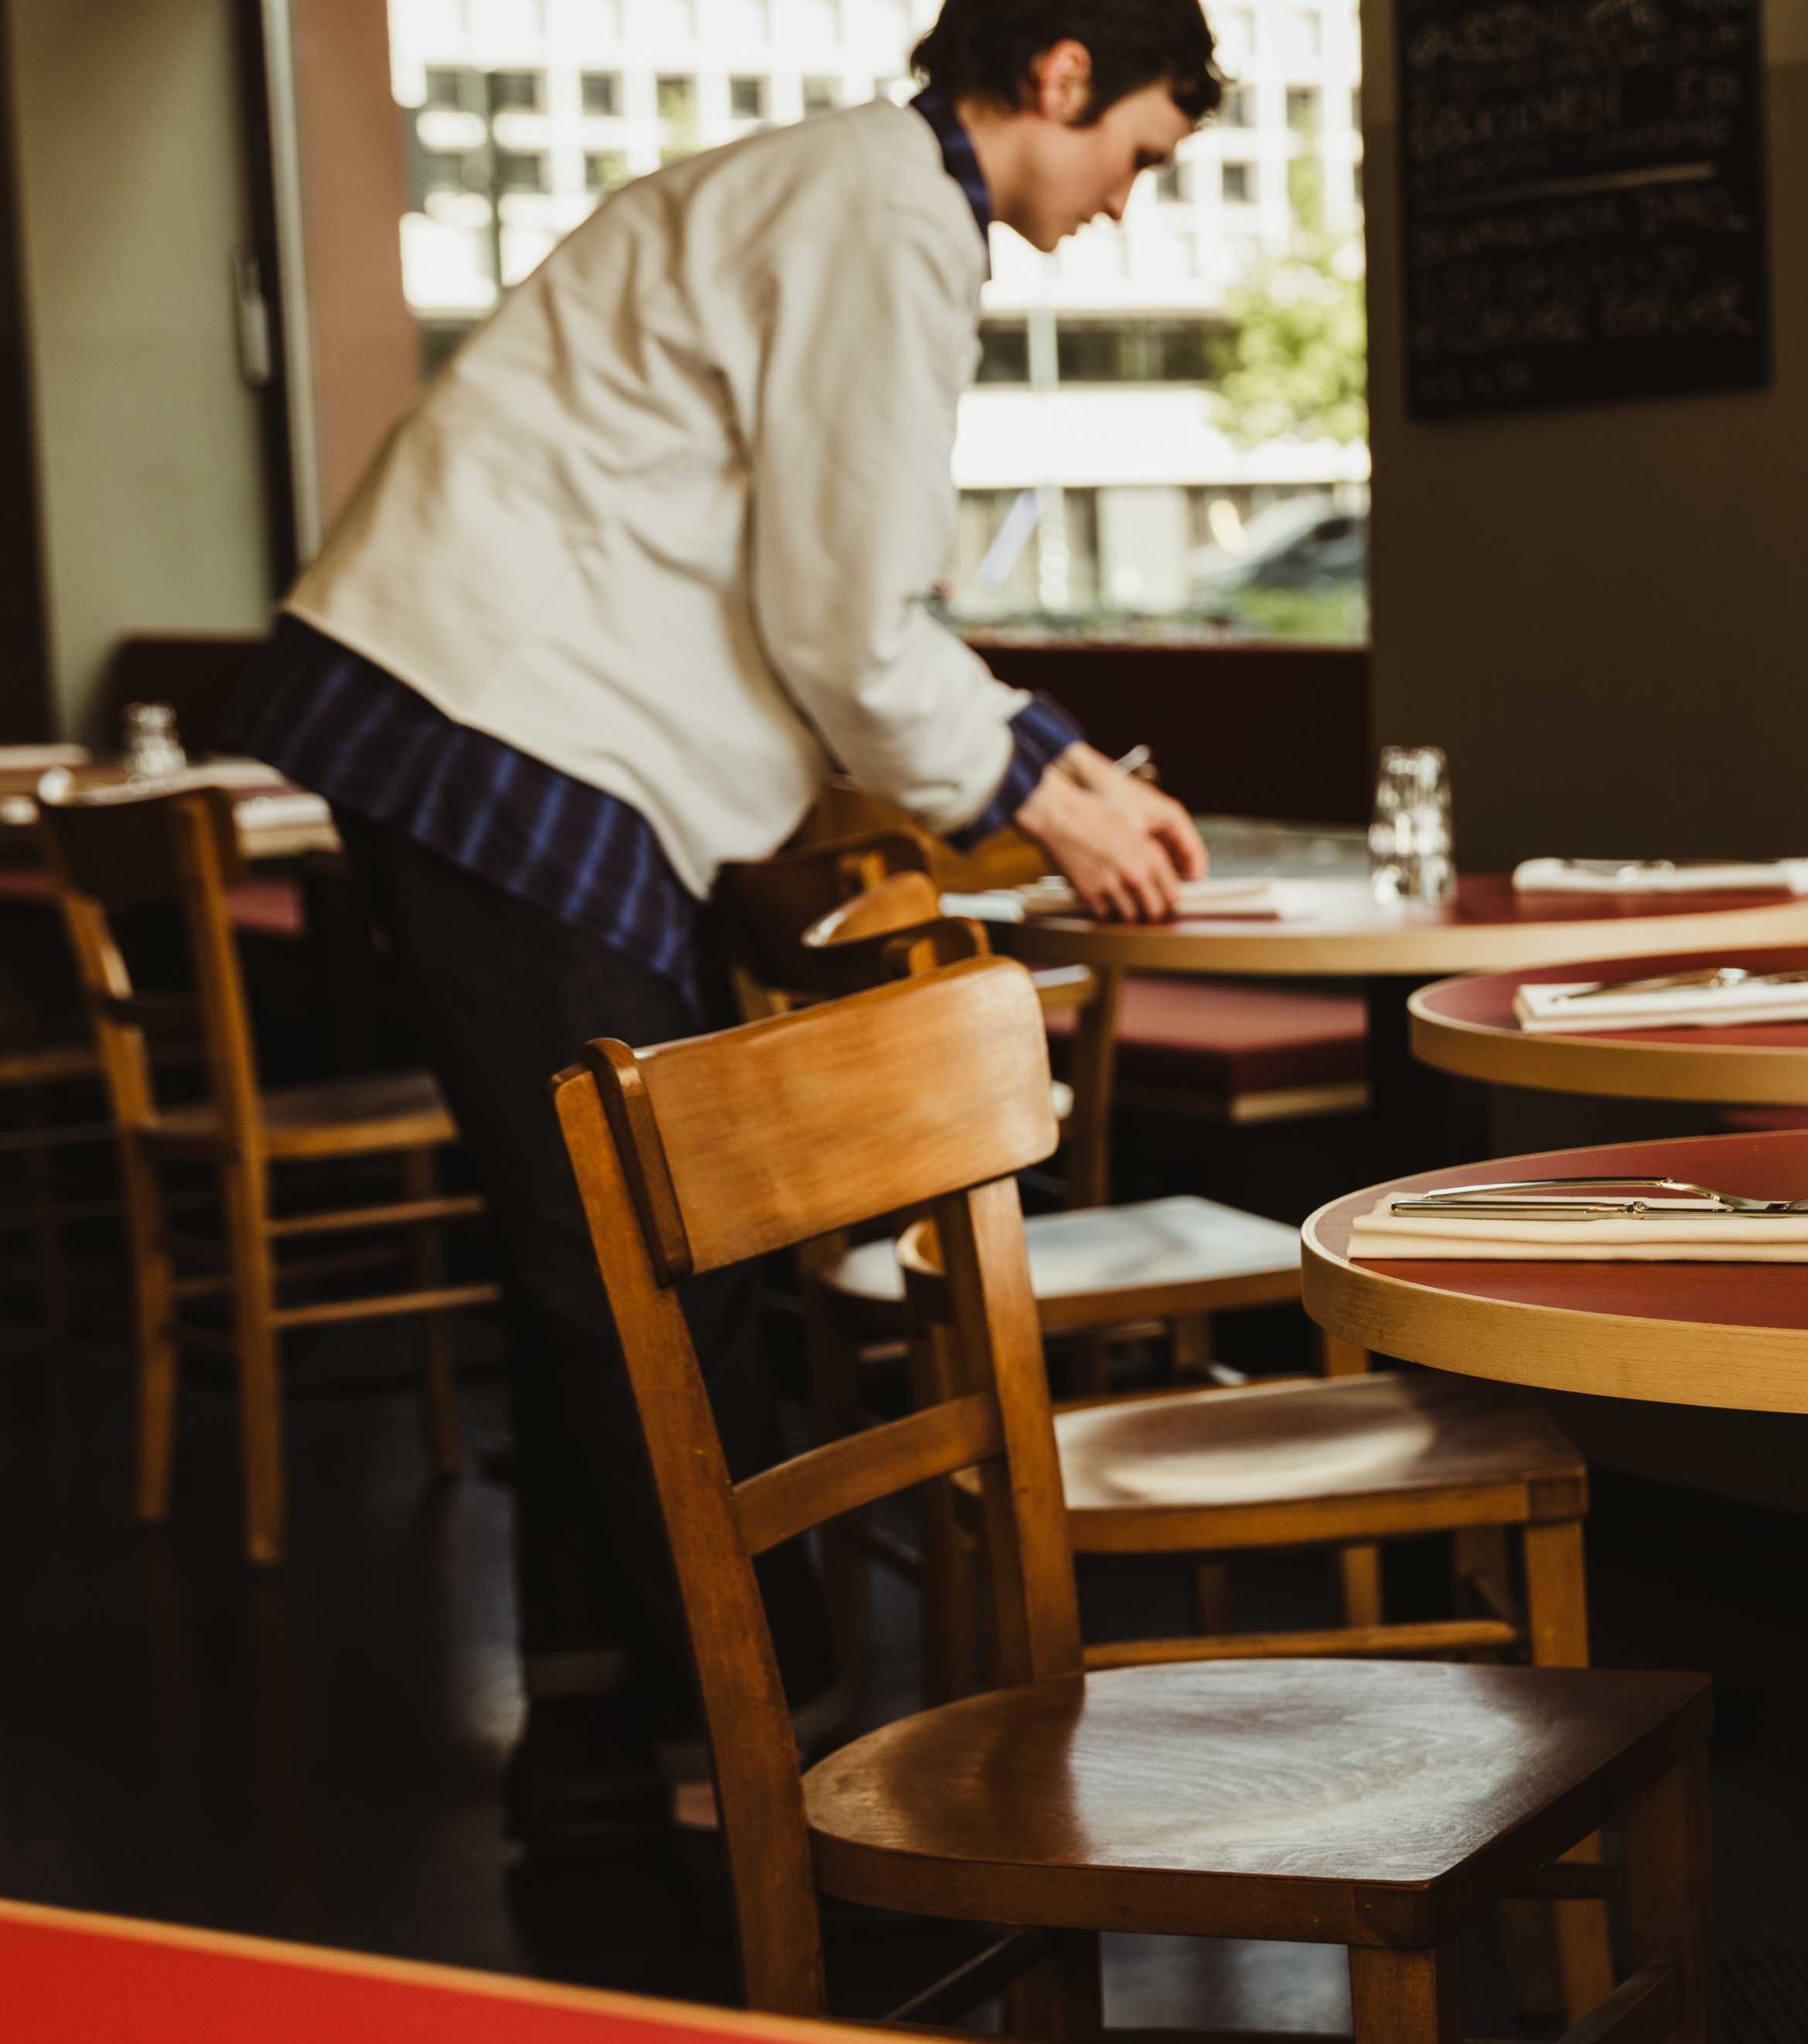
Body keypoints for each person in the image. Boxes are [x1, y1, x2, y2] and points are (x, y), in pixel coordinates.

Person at [230, 1, 1220, 1842]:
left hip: (489, 714)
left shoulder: (840, 183)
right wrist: (1059, 793)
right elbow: (844, 625)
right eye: (1139, 154)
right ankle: (789, 1767)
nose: (1122, 203)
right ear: (1066, 70)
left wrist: (1052, 779)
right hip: (505, 723)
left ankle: (610, 1737)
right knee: (657, 1256)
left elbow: (812, 603)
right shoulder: (893, 214)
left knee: (588, 1253)